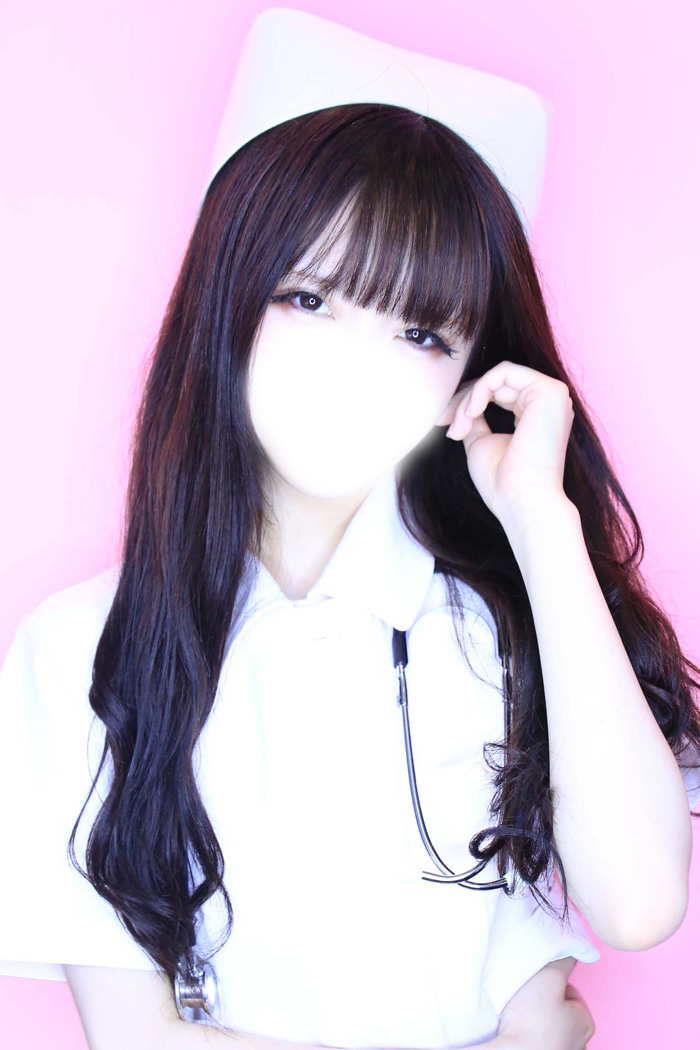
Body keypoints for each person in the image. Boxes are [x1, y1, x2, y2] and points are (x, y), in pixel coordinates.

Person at [1, 101, 699, 1050]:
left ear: (470, 378)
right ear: (227, 300)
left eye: (421, 334)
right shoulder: (82, 648)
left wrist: (542, 521)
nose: (353, 367)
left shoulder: (512, 620)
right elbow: (137, 1040)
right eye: (309, 299)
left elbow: (641, 905)